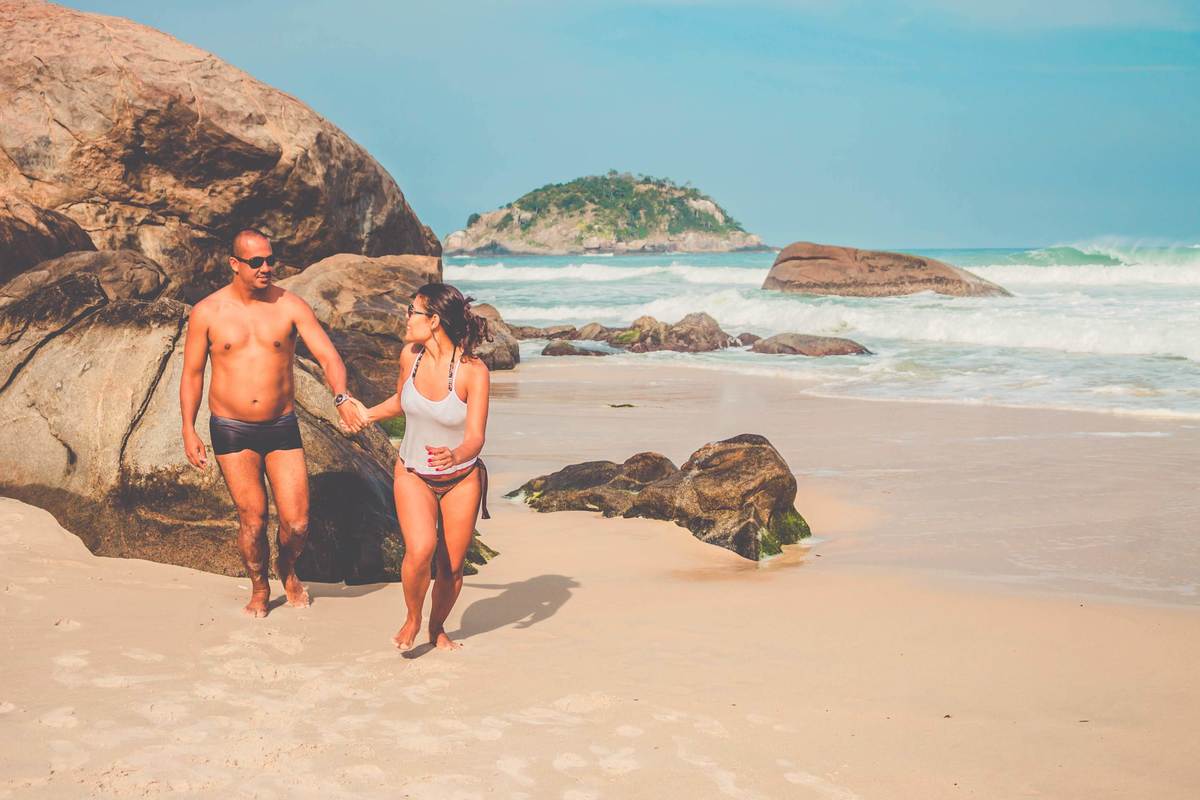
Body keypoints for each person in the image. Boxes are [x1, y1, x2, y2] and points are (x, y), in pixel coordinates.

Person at [179, 228, 370, 617]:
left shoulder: (290, 306)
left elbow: (329, 356)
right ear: (235, 264)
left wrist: (340, 396)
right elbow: (193, 373)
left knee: (297, 523)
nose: (266, 268)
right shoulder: (208, 312)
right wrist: (188, 427)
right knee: (252, 518)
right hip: (231, 428)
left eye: (270, 260)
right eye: (256, 262)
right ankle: (260, 586)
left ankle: (287, 566)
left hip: (281, 426)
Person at [359, 283, 491, 650]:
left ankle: (437, 626)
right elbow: (401, 401)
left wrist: (457, 455)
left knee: (450, 566)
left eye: (411, 311)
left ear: (433, 320)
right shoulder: (410, 357)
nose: (406, 317)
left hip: (461, 479)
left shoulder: (472, 372)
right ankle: (413, 618)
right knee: (420, 550)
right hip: (413, 473)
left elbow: (476, 437)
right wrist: (366, 414)